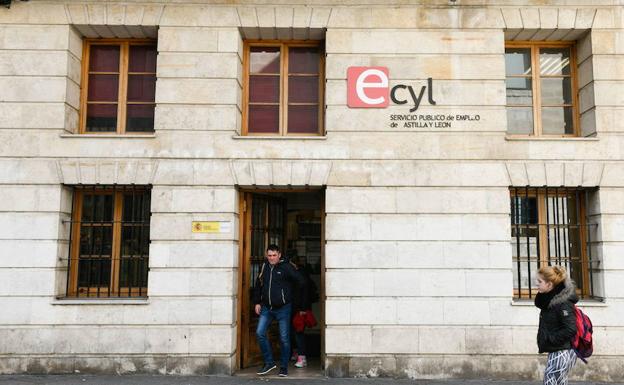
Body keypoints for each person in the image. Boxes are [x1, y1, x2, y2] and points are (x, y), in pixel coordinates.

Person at [252, 244, 305, 377]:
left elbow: (301, 282)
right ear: (266, 255)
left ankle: (283, 367)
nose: (271, 258)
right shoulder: (265, 266)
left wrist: (292, 299)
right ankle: (269, 362)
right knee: (259, 333)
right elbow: (258, 284)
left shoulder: (286, 267)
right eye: (269, 255)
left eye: (274, 255)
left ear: (279, 255)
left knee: (284, 338)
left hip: (283, 308)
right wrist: (257, 301)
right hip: (266, 308)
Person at [534, 266, 579, 385]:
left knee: (550, 381)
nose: (536, 284)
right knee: (559, 382)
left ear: (549, 284)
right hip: (557, 350)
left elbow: (570, 329)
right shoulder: (550, 301)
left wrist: (550, 339)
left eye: (539, 282)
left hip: (562, 351)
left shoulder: (563, 303)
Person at [289, 256, 318, 368]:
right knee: (293, 332)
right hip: (294, 308)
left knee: (298, 332)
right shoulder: (295, 274)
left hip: (300, 309)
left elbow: (305, 293)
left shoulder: (301, 274)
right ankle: (297, 353)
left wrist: (303, 309)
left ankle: (302, 357)